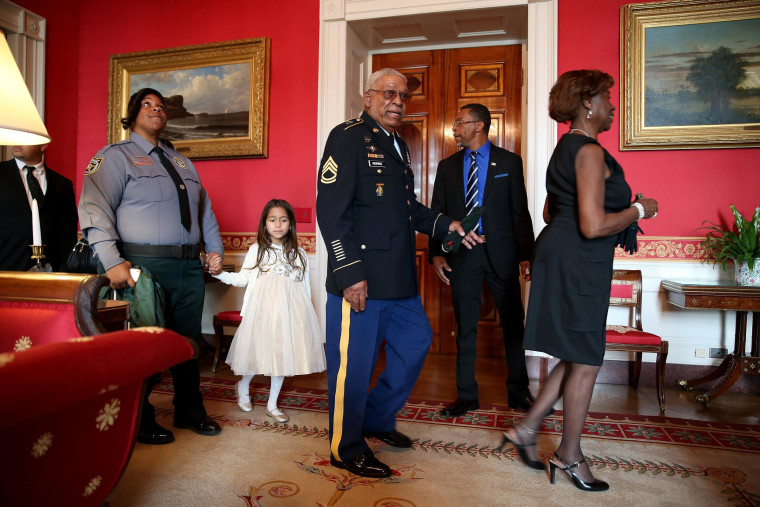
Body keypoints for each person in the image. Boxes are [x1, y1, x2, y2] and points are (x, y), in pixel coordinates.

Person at [316, 68, 481, 478]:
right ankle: (345, 446)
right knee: (354, 367)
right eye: (389, 93)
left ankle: (375, 418)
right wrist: (350, 272)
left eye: (403, 96)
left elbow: (407, 208)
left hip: (398, 280)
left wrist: (447, 225)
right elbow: (331, 212)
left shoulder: (398, 145)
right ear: (369, 95)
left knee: (416, 342)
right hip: (362, 281)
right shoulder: (348, 136)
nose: (397, 102)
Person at [500, 70, 658, 491]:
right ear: (588, 103)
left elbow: (555, 213)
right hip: (578, 260)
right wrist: (640, 210)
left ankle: (527, 430)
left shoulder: (566, 148)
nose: (611, 105)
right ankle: (570, 456)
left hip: (565, 255)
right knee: (586, 359)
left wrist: (593, 216)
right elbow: (591, 224)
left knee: (574, 352)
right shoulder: (588, 151)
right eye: (607, 97)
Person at [78, 88, 225, 445]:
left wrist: (215, 250)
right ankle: (138, 417)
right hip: (143, 266)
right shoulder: (114, 157)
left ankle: (190, 411)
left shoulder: (181, 162)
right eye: (147, 104)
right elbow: (95, 209)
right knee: (143, 345)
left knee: (187, 344)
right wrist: (112, 262)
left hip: (188, 267)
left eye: (160, 106)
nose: (156, 109)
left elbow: (204, 210)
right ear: (131, 115)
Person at [429, 103, 536, 419]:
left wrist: (526, 256)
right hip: (463, 256)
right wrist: (436, 253)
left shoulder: (509, 162)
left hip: (501, 255)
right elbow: (437, 213)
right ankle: (466, 396)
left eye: (459, 122)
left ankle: (518, 392)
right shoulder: (447, 167)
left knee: (514, 325)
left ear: (479, 126)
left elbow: (520, 213)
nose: (455, 128)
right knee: (465, 328)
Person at [213, 199, 326, 423]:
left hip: (289, 315)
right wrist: (218, 273)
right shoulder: (257, 250)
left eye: (283, 220)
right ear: (265, 224)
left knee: (282, 355)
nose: (278, 224)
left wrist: (305, 318)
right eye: (272, 220)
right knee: (257, 352)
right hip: (262, 313)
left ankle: (272, 404)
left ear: (290, 224)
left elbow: (304, 288)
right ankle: (243, 385)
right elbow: (242, 279)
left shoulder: (300, 253)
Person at [0, 144, 78, 271]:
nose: (17, 142)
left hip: (50, 274)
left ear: (43, 145)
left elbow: (67, 236)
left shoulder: (62, 184)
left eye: (24, 138)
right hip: (6, 270)